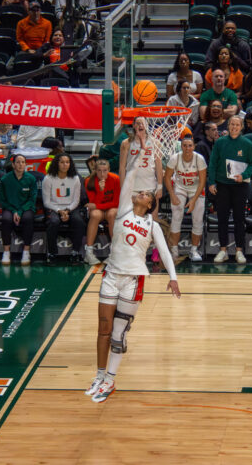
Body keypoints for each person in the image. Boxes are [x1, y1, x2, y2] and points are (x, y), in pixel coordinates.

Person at [86, 131, 181, 404]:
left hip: (134, 280)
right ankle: (99, 375)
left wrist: (173, 278)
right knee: (102, 328)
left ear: (149, 203)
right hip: (111, 275)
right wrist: (140, 151)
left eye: (145, 194)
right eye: (139, 192)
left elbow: (163, 252)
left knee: (118, 333)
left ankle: (110, 381)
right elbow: (128, 177)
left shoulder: (152, 225)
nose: (140, 193)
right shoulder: (125, 210)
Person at [208, 116, 252, 264]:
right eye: (232, 124)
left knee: (239, 219)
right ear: (228, 126)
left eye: (237, 124)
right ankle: (223, 250)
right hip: (222, 185)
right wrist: (211, 182)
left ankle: (239, 251)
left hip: (240, 187)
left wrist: (244, 175)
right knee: (222, 219)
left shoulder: (247, 144)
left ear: (242, 127)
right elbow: (212, 163)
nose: (235, 127)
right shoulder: (220, 142)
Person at [165, 135, 207, 261]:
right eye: (185, 145)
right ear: (181, 146)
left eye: (190, 145)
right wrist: (172, 194)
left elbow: (203, 181)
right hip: (180, 188)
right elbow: (167, 177)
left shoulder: (199, 159)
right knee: (177, 215)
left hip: (196, 189)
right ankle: (174, 250)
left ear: (194, 147)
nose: (187, 148)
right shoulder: (175, 158)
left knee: (198, 219)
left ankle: (194, 250)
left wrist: (193, 200)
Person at [42, 153, 85, 263]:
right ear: (56, 163)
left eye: (67, 162)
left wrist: (67, 211)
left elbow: (76, 200)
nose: (65, 165)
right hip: (54, 207)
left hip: (71, 207)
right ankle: (52, 253)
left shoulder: (75, 178)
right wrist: (59, 211)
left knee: (78, 221)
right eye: (62, 162)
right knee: (53, 221)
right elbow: (46, 202)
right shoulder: (48, 179)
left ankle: (75, 252)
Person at [119, 117, 164, 218]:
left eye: (143, 123)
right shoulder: (126, 143)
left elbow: (158, 166)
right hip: (132, 186)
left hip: (150, 185)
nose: (140, 126)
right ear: (134, 125)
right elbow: (122, 167)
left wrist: (160, 186)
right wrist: (123, 188)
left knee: (153, 220)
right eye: (138, 123)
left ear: (147, 126)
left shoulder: (155, 142)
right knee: (131, 220)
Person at [0, 154, 37, 266]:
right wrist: (14, 211)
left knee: (28, 218)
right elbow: (2, 200)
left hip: (26, 207)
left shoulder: (31, 179)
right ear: (13, 164)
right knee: (6, 219)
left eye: (23, 162)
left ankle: (26, 251)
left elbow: (32, 199)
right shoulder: (5, 179)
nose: (21, 164)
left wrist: (19, 211)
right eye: (18, 162)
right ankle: (6, 252)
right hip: (10, 208)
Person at [83, 159, 120, 265]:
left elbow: (116, 202)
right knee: (94, 214)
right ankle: (89, 253)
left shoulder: (116, 179)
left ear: (109, 170)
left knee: (113, 213)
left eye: (105, 170)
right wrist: (100, 190)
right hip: (98, 210)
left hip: (110, 209)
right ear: (95, 170)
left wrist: (98, 205)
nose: (102, 173)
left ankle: (114, 253)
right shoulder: (89, 180)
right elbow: (92, 203)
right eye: (99, 170)